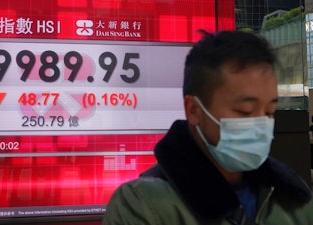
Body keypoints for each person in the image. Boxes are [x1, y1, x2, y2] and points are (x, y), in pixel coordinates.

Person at [102, 30, 313, 225]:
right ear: (194, 110)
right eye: (245, 111)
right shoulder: (141, 205)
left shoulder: (293, 198)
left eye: (269, 112)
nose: (260, 125)